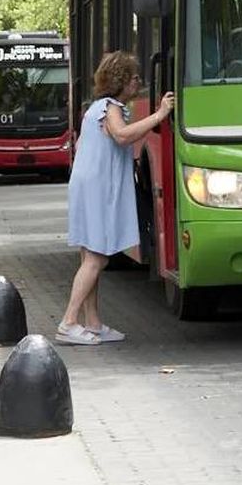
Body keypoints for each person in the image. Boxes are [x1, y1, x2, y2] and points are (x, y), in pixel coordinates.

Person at [57, 51, 174, 345]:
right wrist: (159, 115)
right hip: (98, 188)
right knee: (96, 258)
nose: (139, 82)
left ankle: (93, 323)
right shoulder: (111, 107)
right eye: (135, 77)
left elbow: (87, 145)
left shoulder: (94, 108)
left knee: (90, 256)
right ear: (123, 81)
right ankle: (69, 321)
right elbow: (122, 137)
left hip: (85, 186)